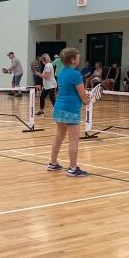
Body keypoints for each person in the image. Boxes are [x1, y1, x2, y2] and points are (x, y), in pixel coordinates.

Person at [48, 47, 90, 178]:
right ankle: (72, 168)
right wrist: (87, 100)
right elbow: (82, 95)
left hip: (59, 108)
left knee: (59, 136)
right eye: (78, 57)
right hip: (71, 110)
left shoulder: (61, 72)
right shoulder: (75, 74)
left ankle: (53, 163)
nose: (79, 59)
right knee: (73, 140)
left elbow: (68, 90)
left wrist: (84, 97)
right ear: (72, 59)